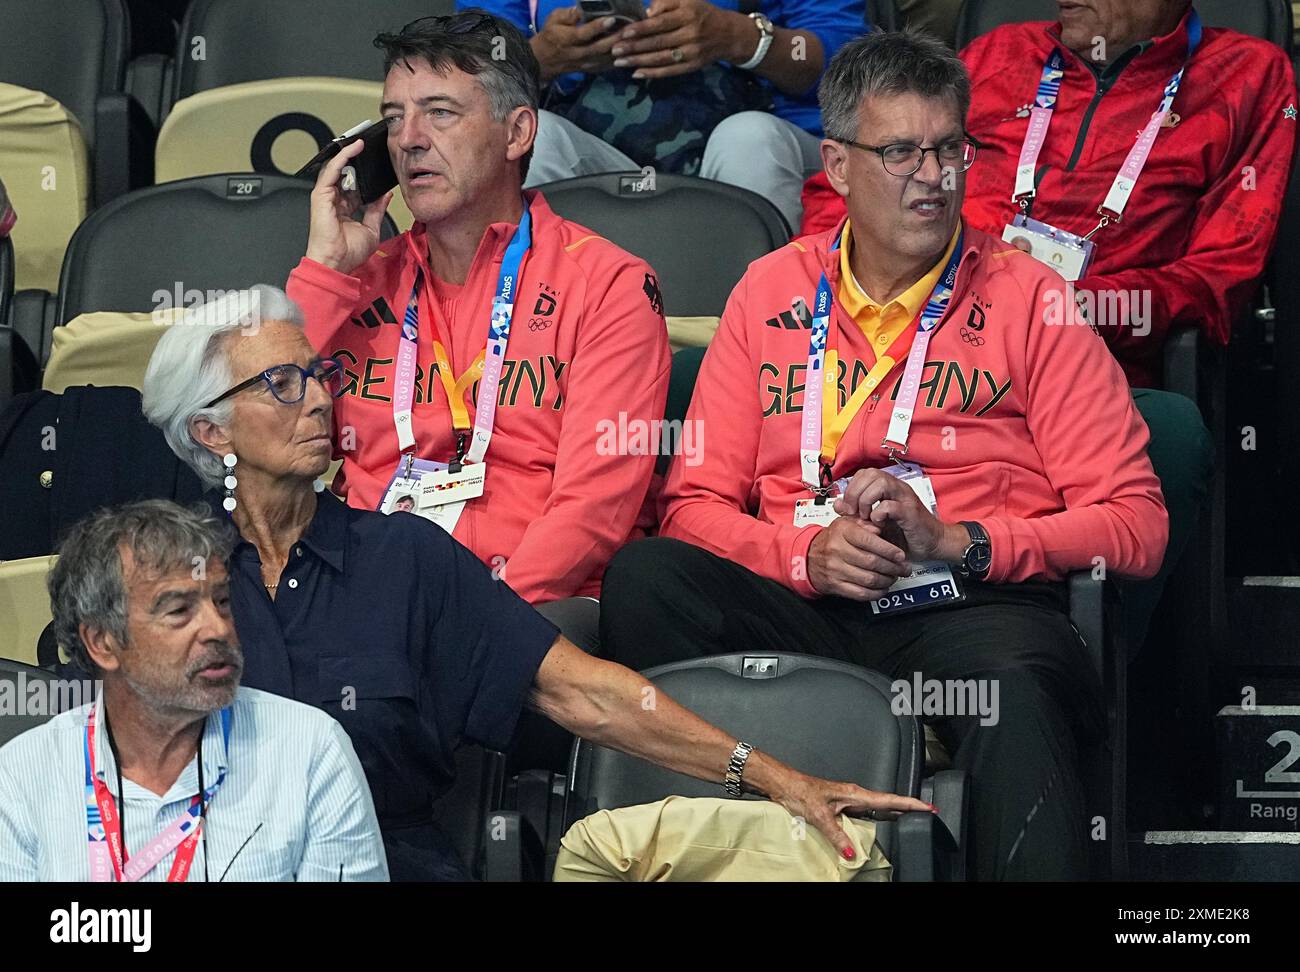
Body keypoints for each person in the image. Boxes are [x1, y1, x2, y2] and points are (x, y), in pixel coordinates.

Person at [599, 31, 1169, 881]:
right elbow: (694, 505)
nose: (934, 176)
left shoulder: (1031, 300)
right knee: (647, 579)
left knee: (1018, 683)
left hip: (965, 612)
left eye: (949, 149)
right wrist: (804, 556)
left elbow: (1137, 523)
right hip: (804, 605)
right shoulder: (771, 291)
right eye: (901, 151)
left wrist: (962, 541)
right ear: (836, 163)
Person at [140, 285, 933, 882]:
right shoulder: (164, 575)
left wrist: (780, 779)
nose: (318, 397)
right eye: (280, 383)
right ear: (210, 431)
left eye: (315, 374)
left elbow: (588, 695)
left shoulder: (404, 559)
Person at [286, 11, 669, 658]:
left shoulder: (606, 284)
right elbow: (247, 441)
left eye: (439, 113)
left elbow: (591, 512)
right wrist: (324, 275)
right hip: (363, 602)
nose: (407, 140)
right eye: (393, 116)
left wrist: (463, 624)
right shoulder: (356, 284)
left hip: (528, 615)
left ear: (518, 131)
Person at [0, 501, 388, 881]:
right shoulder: (23, 776)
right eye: (179, 611)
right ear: (102, 642)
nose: (218, 629)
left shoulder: (309, 751)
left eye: (221, 602)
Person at [468, 1, 866, 230]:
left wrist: (741, 39)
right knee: (534, 136)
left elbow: (852, 68)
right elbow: (466, 77)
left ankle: (763, 331)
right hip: (598, 156)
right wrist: (539, 58)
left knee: (750, 137)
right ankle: (543, 332)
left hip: (753, 149)